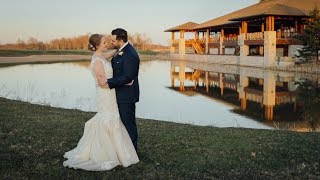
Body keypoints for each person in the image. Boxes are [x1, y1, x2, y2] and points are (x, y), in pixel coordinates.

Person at [63, 34, 139, 171]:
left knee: (113, 119)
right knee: (108, 119)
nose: (107, 44)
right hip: (105, 94)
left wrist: (123, 47)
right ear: (97, 45)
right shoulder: (97, 61)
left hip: (110, 93)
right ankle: (105, 152)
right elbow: (102, 83)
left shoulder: (101, 57)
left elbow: (111, 53)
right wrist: (125, 81)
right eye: (104, 43)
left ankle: (118, 150)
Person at [106, 28, 140, 151]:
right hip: (120, 93)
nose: (111, 42)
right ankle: (124, 149)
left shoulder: (130, 54)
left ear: (120, 40)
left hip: (127, 95)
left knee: (128, 124)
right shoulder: (121, 50)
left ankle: (132, 151)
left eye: (113, 40)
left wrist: (108, 82)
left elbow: (128, 77)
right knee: (122, 124)